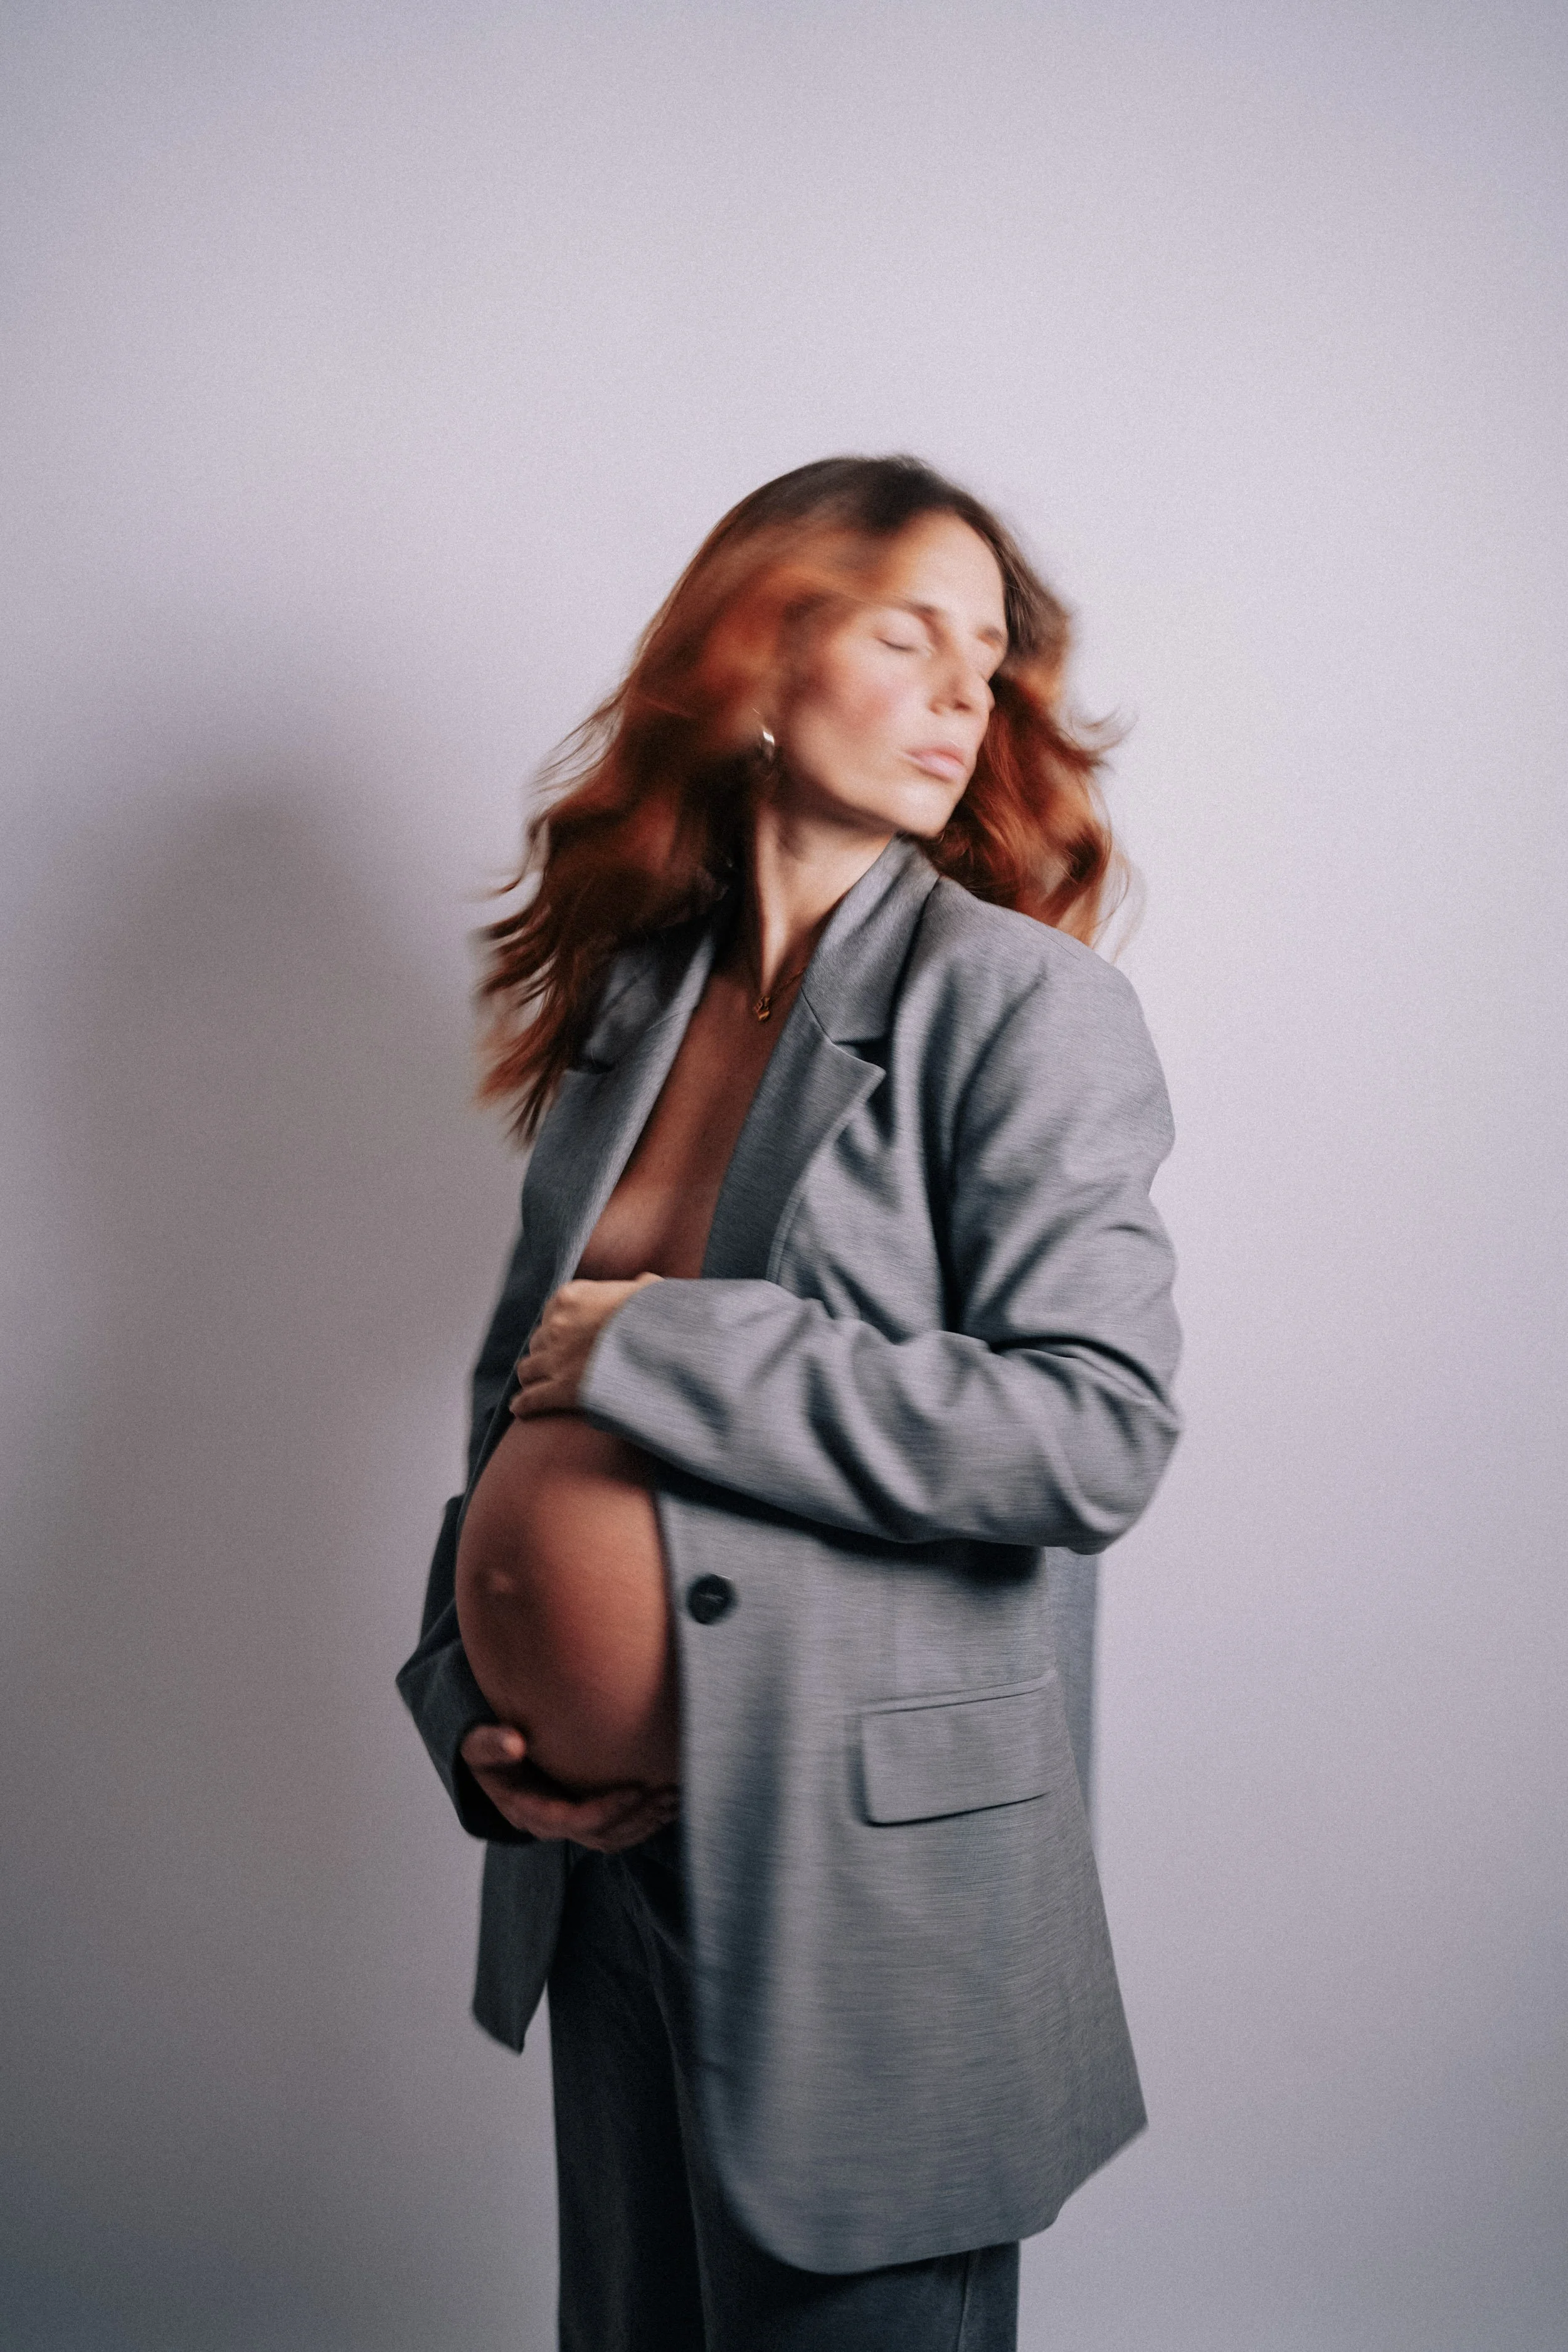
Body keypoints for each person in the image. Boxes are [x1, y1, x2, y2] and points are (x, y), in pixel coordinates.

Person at [398, 454, 1182, 2351]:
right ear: (758, 649)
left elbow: (1091, 1426)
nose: (957, 699)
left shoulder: (1018, 1004)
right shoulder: (634, 1002)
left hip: (873, 1900)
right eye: (909, 635)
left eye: (984, 665)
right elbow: (516, 1396)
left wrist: (677, 1342)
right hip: (608, 1866)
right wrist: (475, 1705)